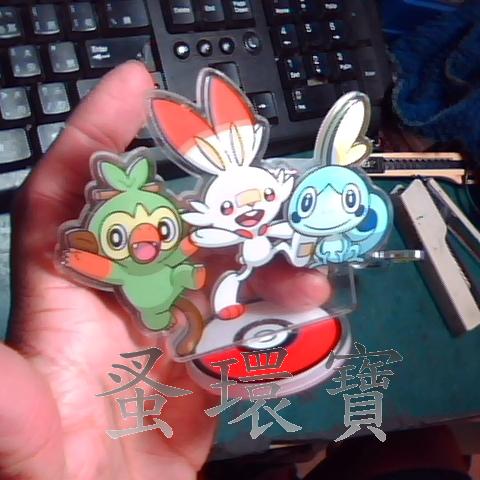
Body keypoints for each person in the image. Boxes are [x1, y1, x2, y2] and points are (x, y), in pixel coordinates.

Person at [0, 61, 331, 480]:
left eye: (161, 229)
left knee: (236, 286)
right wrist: (86, 260)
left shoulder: (187, 241)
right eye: (119, 236)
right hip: (154, 303)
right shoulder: (121, 269)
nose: (146, 239)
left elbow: (183, 247)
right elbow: (112, 266)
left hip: (175, 286)